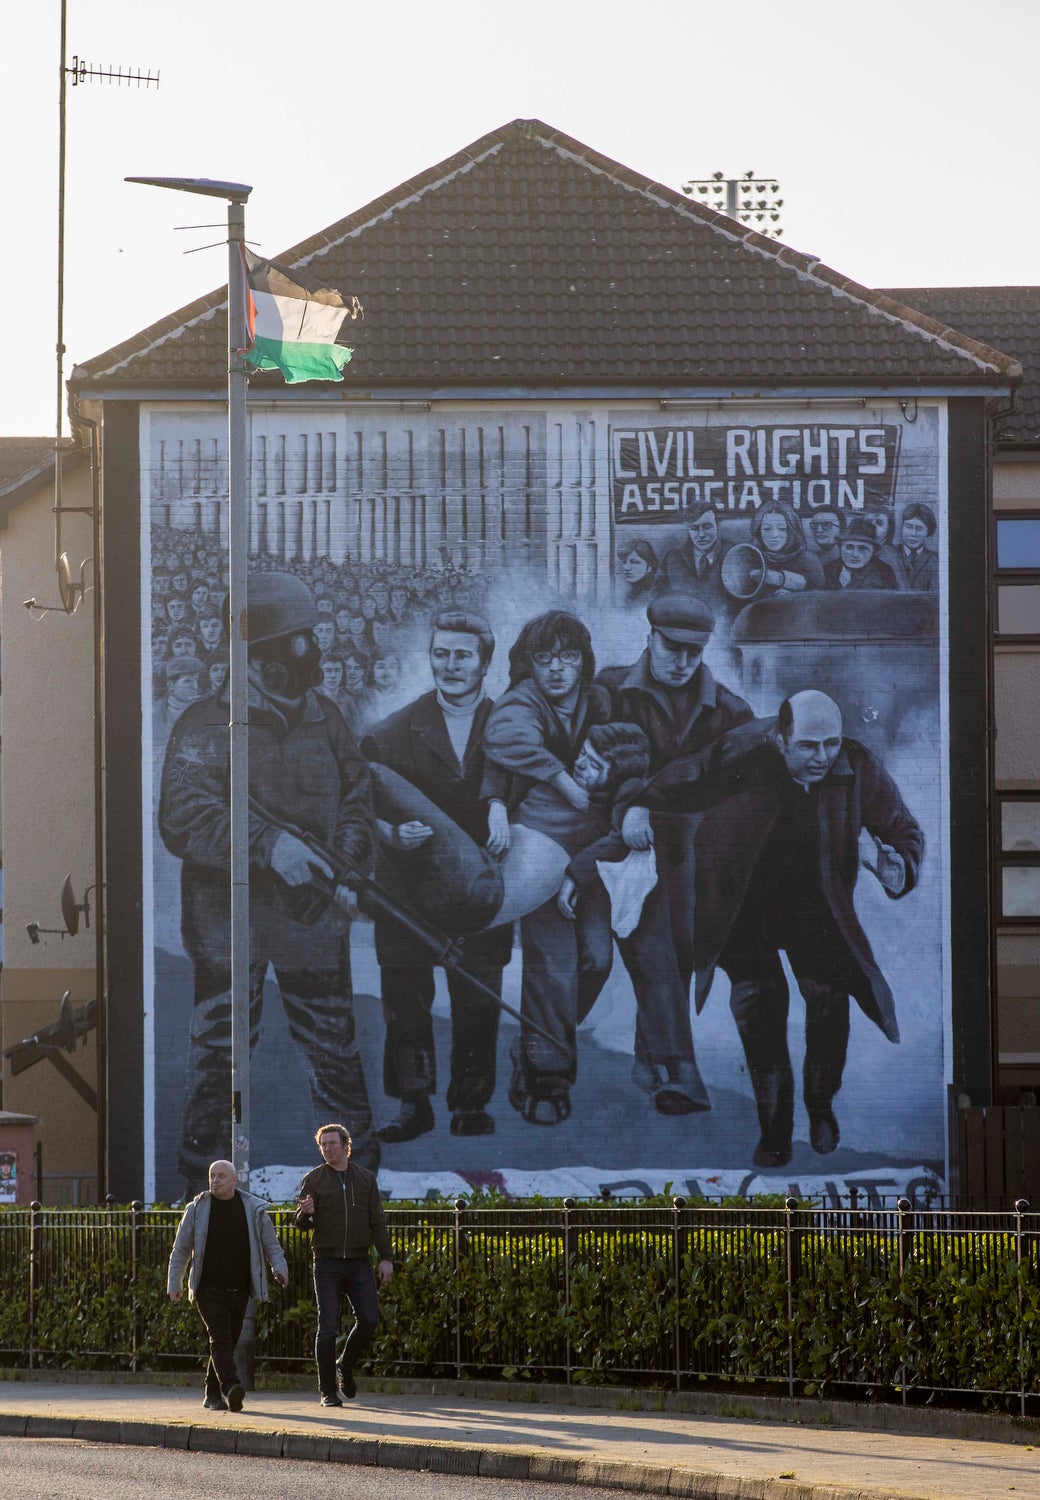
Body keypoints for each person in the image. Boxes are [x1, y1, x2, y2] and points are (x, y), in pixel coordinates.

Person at [621, 690, 924, 1169]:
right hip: (744, 904)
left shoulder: (856, 765)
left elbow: (903, 828)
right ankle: (775, 1132)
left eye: (830, 744)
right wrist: (640, 805)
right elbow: (689, 774)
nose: (821, 757)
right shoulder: (743, 750)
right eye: (807, 746)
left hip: (815, 906)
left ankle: (821, 1105)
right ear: (781, 740)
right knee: (761, 1007)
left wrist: (898, 869)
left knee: (829, 1000)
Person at [159, 571, 378, 1192]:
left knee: (335, 1053)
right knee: (218, 1058)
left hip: (314, 927)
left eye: (311, 640)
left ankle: (360, 1184)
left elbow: (357, 800)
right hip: (229, 933)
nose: (310, 657)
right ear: (254, 659)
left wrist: (346, 865)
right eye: (295, 645)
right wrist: (268, 844)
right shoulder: (205, 726)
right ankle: (195, 1192)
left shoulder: (326, 719)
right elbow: (183, 813)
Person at [596, 594, 753, 1114]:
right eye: (673, 648)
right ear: (650, 637)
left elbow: (738, 793)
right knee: (657, 948)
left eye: (694, 651)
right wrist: (631, 806)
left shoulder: (729, 711)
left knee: (675, 950)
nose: (683, 662)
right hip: (615, 844)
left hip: (689, 855)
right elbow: (589, 767)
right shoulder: (609, 692)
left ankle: (652, 1057)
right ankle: (683, 1073)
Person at [362, 610, 511, 1142]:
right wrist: (388, 833)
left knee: (478, 995)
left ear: (485, 663)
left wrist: (501, 806)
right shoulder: (390, 733)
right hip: (408, 887)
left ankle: (471, 1103)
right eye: (441, 653)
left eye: (463, 655)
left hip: (483, 887)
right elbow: (355, 803)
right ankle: (413, 1104)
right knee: (405, 997)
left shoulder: (512, 725)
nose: (450, 665)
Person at [482, 611, 612, 1123]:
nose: (557, 669)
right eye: (544, 658)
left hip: (595, 852)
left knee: (595, 962)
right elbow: (507, 740)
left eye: (569, 656)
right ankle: (548, 1079)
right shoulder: (521, 702)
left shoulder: (600, 701)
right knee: (552, 967)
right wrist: (563, 780)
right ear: (528, 663)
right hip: (538, 844)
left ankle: (541, 1038)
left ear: (584, 660)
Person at [167, 1158, 288, 1413]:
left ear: (235, 1180)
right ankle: (231, 1386)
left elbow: (270, 1244)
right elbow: (181, 1249)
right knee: (220, 1337)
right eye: (212, 1176)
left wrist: (280, 1268)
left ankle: (212, 1395)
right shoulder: (197, 1209)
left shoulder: (253, 1209)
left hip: (240, 1288)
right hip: (207, 1289)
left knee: (227, 1342)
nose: (215, 1181)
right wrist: (174, 1283)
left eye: (222, 1176)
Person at [294, 1123, 393, 1407]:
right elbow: (300, 1222)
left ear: (345, 1145)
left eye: (332, 1143)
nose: (327, 1149)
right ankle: (327, 1391)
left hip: (360, 1261)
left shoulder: (365, 1178)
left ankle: (344, 1365)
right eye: (323, 1145)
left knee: (370, 1320)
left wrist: (386, 1257)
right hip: (327, 1261)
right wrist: (307, 1214)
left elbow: (377, 1222)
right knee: (327, 1327)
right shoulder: (314, 1179)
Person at [656, 502, 733, 615]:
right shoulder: (672, 559)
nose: (701, 534)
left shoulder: (735, 553)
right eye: (694, 528)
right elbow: (655, 598)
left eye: (707, 527)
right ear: (688, 529)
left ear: (718, 526)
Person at [748, 501, 825, 595]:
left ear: (792, 531)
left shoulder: (809, 561)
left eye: (782, 529)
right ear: (758, 530)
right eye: (767, 529)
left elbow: (820, 599)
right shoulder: (750, 558)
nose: (774, 535)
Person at [823, 515, 899, 591]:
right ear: (841, 547)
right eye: (849, 547)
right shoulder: (827, 570)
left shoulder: (884, 572)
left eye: (862, 548)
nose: (855, 554)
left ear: (873, 551)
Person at [890, 502, 939, 591]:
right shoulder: (890, 554)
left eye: (919, 529)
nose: (913, 534)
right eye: (908, 527)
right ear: (902, 527)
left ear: (929, 532)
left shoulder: (935, 561)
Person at [615, 538, 659, 606]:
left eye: (634, 562)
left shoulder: (652, 595)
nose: (626, 567)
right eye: (624, 562)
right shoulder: (632, 594)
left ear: (650, 567)